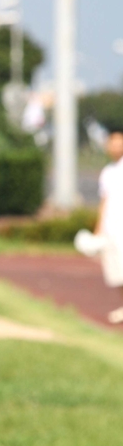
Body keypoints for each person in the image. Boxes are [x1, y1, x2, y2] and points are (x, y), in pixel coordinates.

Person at [95, 129, 123, 324]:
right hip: (111, 227)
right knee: (116, 271)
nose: (116, 147)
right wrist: (98, 227)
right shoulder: (107, 172)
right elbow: (104, 200)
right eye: (112, 143)